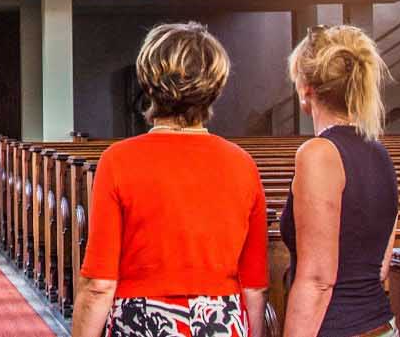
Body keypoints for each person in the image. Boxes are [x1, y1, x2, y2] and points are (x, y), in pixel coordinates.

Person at [73, 22, 268, 337]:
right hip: (220, 319)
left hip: (144, 319)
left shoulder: (119, 160)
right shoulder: (242, 164)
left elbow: (99, 285)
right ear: (215, 86)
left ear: (149, 83)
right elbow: (254, 287)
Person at [280, 25, 399, 337]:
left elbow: (318, 280)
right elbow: (381, 267)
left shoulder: (319, 153)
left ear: (306, 88)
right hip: (381, 327)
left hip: (337, 328)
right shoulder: (379, 152)